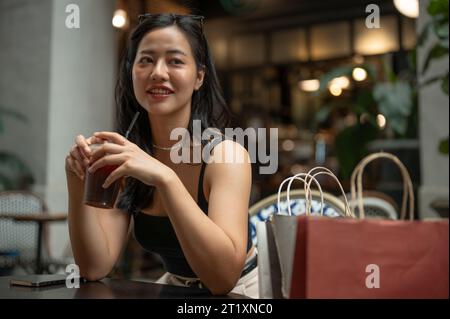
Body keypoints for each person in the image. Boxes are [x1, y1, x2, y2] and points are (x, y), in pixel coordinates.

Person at [65, 13, 258, 298]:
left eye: (175, 61)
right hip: (174, 287)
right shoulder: (130, 156)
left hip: (241, 292)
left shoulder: (226, 156)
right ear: (131, 72)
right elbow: (95, 266)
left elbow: (223, 279)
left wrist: (165, 178)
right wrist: (76, 180)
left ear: (199, 77)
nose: (158, 72)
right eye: (146, 60)